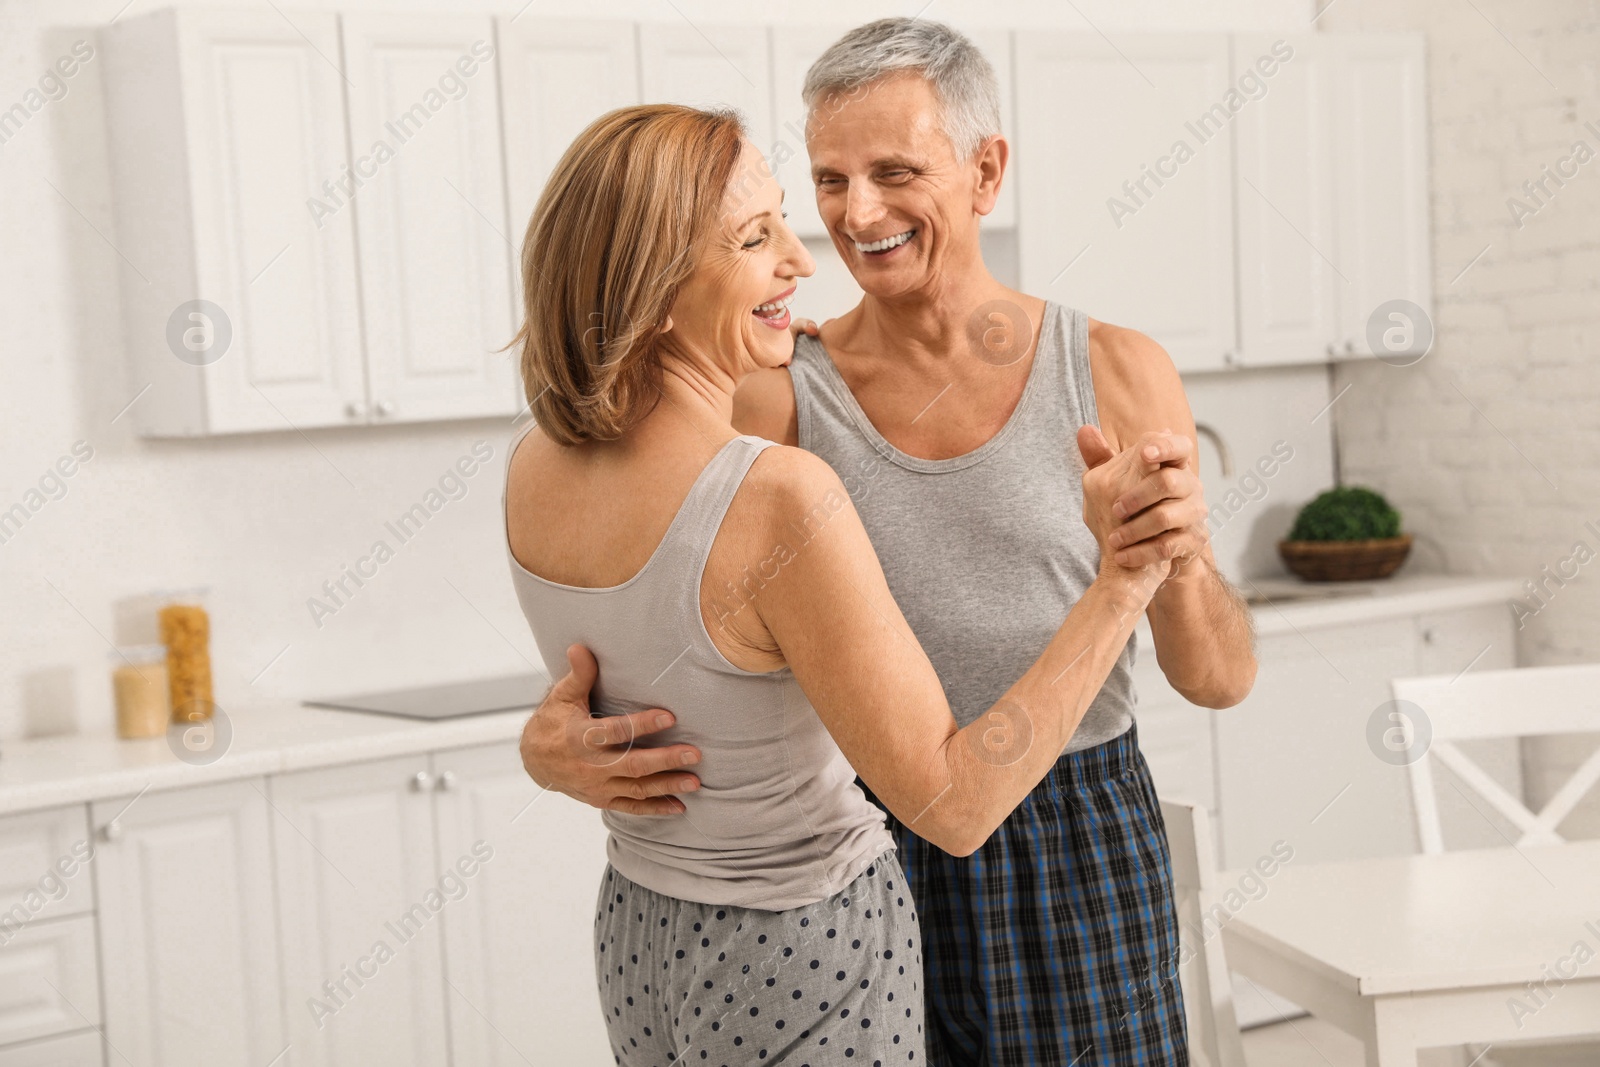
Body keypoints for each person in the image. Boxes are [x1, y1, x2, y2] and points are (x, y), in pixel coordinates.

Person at [518, 19, 1258, 1067]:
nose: (854, 215)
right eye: (828, 179)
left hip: (1074, 841)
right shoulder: (769, 395)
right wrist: (547, 742)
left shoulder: (1116, 371)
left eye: (893, 172)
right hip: (857, 840)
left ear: (984, 170)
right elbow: (636, 581)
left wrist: (1172, 561)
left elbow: (1218, 675)